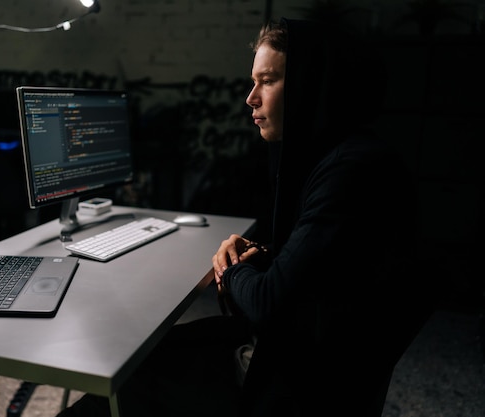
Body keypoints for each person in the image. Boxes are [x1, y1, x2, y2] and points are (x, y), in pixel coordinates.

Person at [57, 17, 431, 417]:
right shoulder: (342, 157)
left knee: (123, 377)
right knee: (147, 348)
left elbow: (268, 303)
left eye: (268, 80)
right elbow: (324, 269)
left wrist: (230, 271)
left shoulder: (349, 172)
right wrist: (262, 254)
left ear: (309, 85)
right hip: (309, 354)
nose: (251, 98)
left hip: (297, 381)